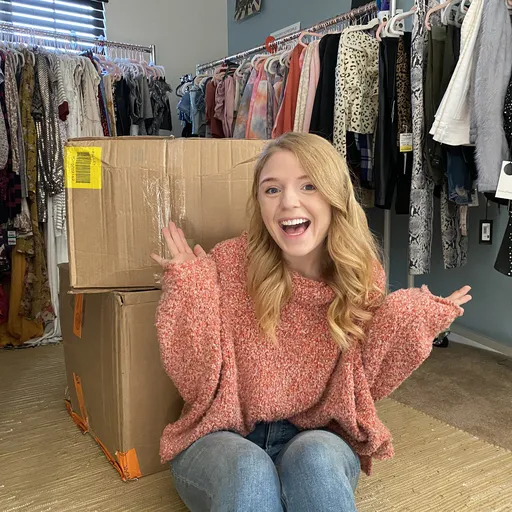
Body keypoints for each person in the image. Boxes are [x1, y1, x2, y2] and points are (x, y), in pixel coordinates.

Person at [151, 132, 472, 512]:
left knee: (316, 462)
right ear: (259, 202)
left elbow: (359, 386)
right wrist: (192, 292)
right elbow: (197, 384)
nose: (288, 202)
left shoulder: (360, 275)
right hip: (221, 434)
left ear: (334, 197)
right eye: (272, 190)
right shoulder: (230, 262)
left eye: (308, 185)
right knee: (249, 471)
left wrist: (407, 318)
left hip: (318, 434)